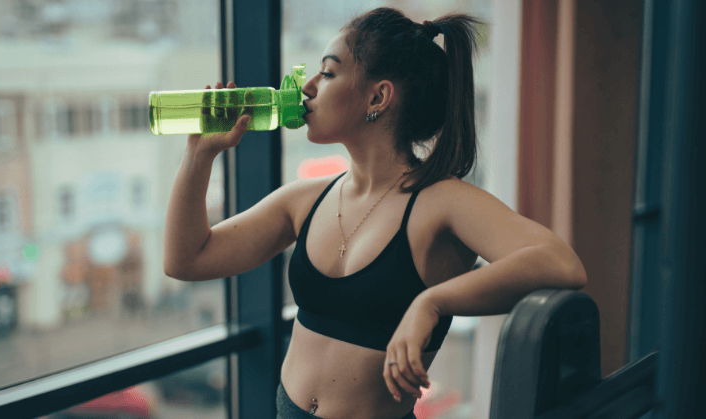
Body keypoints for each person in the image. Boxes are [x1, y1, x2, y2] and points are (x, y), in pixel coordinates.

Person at [164, 7, 588, 419]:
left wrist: (432, 302)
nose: (308, 86)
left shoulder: (443, 202)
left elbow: (561, 264)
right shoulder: (304, 199)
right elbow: (187, 259)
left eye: (328, 72)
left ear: (379, 96)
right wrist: (199, 156)